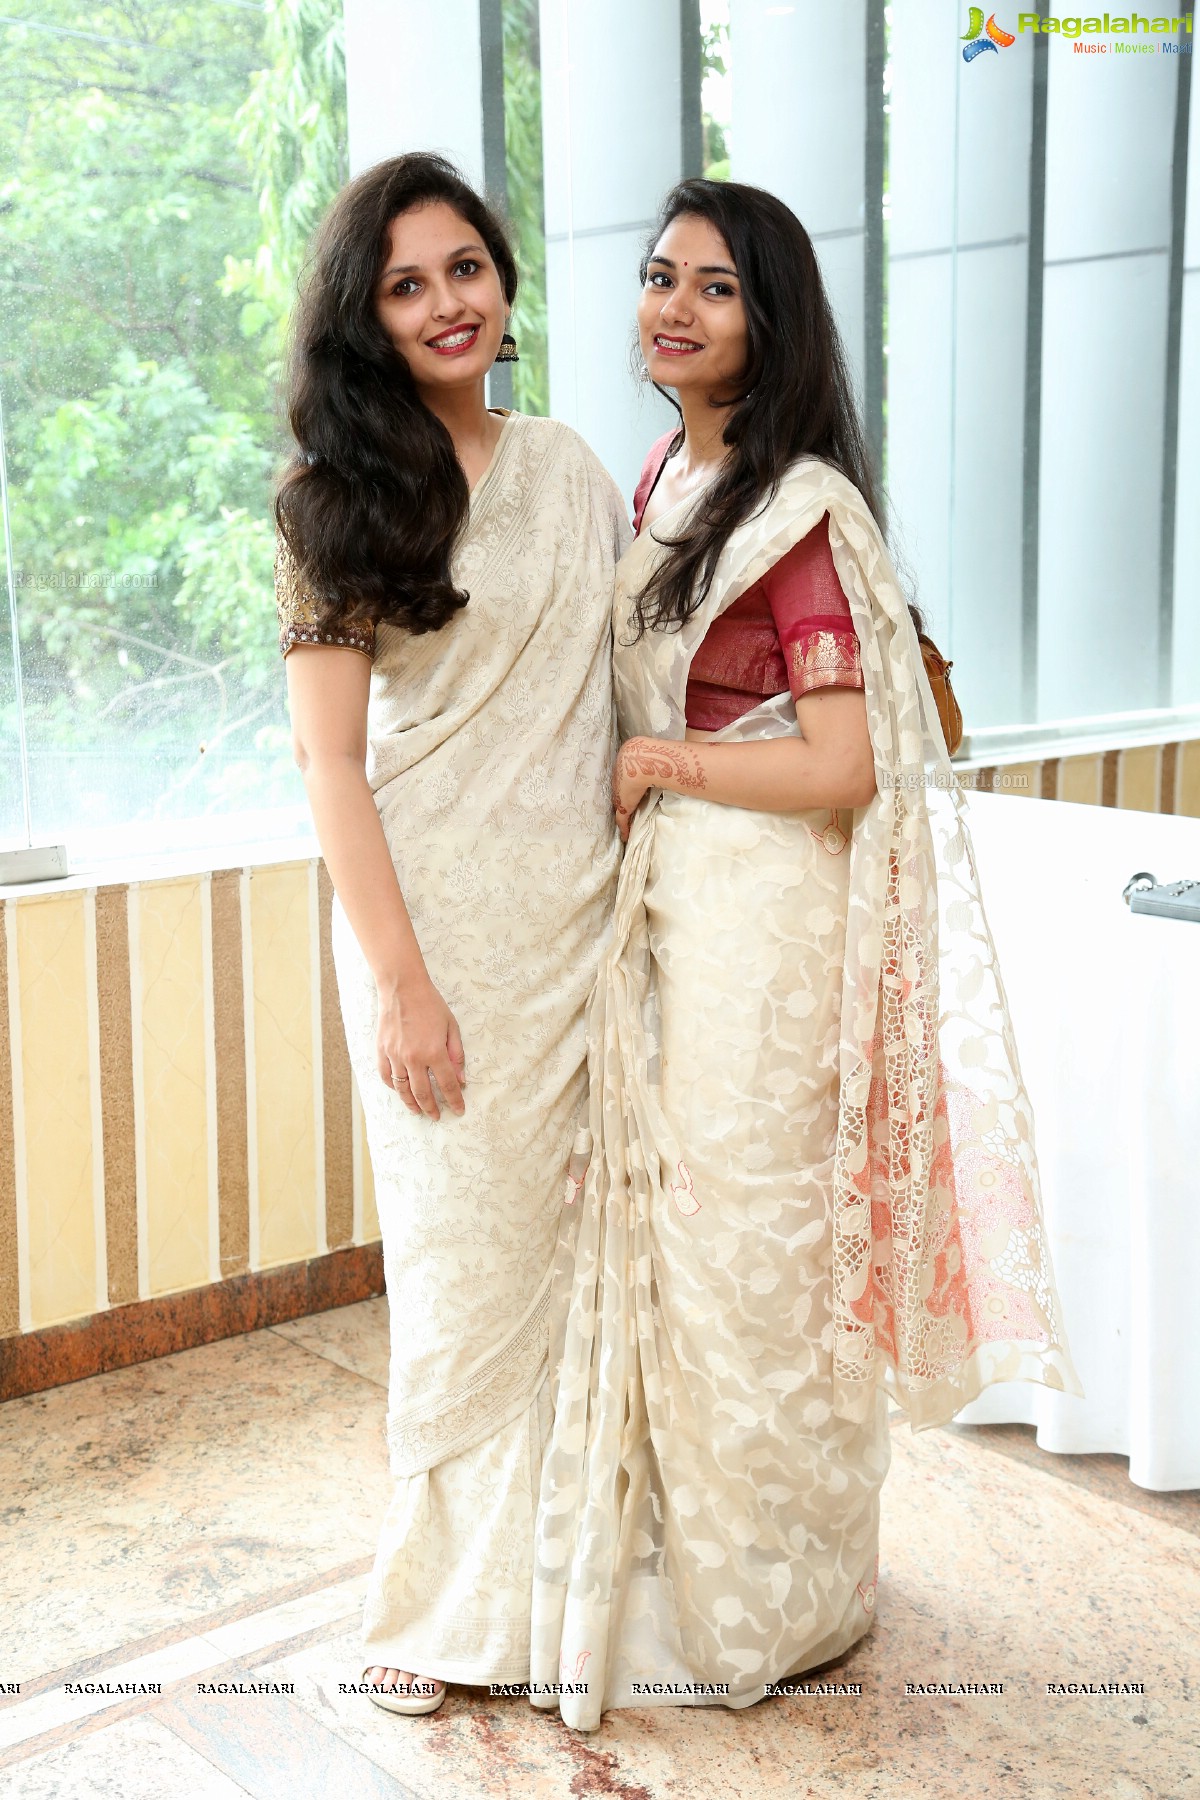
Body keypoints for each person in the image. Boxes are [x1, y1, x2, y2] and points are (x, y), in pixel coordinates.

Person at [531, 179, 1078, 1731]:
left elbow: (842, 766)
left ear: (772, 325)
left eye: (714, 288)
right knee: (671, 1232)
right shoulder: (659, 474)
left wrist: (660, 771)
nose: (671, 308)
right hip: (670, 909)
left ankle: (774, 1589)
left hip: (764, 919)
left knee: (756, 1249)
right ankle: (685, 1557)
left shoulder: (797, 509)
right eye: (657, 278)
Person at [275, 152, 628, 1716]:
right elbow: (329, 761)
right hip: (428, 937)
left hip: (580, 928)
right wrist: (404, 989)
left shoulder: (569, 468)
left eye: (465, 269)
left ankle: (576, 1587)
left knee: (583, 1256)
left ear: (505, 278)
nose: (445, 304)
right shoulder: (336, 502)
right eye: (407, 283)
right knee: (460, 1272)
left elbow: (625, 694)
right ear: (368, 314)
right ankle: (436, 1609)